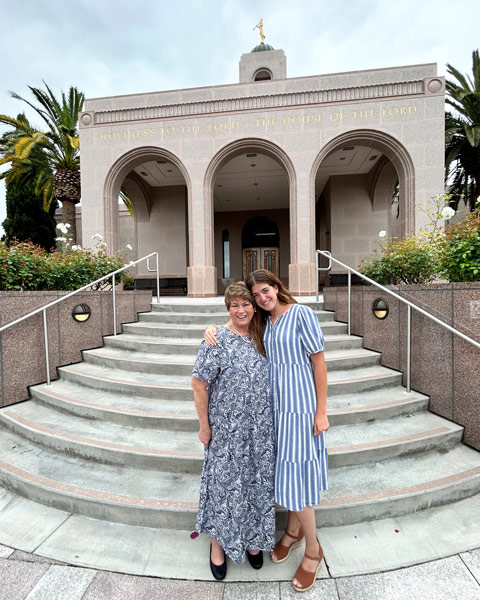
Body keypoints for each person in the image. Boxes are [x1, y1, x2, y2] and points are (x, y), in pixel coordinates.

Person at [205, 270, 328, 592]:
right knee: (285, 475)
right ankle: (292, 533)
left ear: (276, 287)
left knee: (296, 478)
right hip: (274, 414)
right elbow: (236, 333)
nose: (261, 298)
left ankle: (313, 551)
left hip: (300, 408)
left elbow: (319, 363)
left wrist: (321, 411)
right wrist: (212, 329)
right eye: (255, 296)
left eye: (264, 291)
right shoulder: (265, 324)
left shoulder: (301, 314)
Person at [191, 281, 276, 580]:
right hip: (227, 432)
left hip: (261, 432)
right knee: (225, 487)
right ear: (228, 308)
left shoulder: (264, 335)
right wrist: (205, 427)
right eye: (234, 305)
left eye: (246, 304)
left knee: (256, 484)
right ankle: (218, 545)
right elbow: (198, 384)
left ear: (254, 307)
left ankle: (254, 542)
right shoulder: (216, 340)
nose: (241, 310)